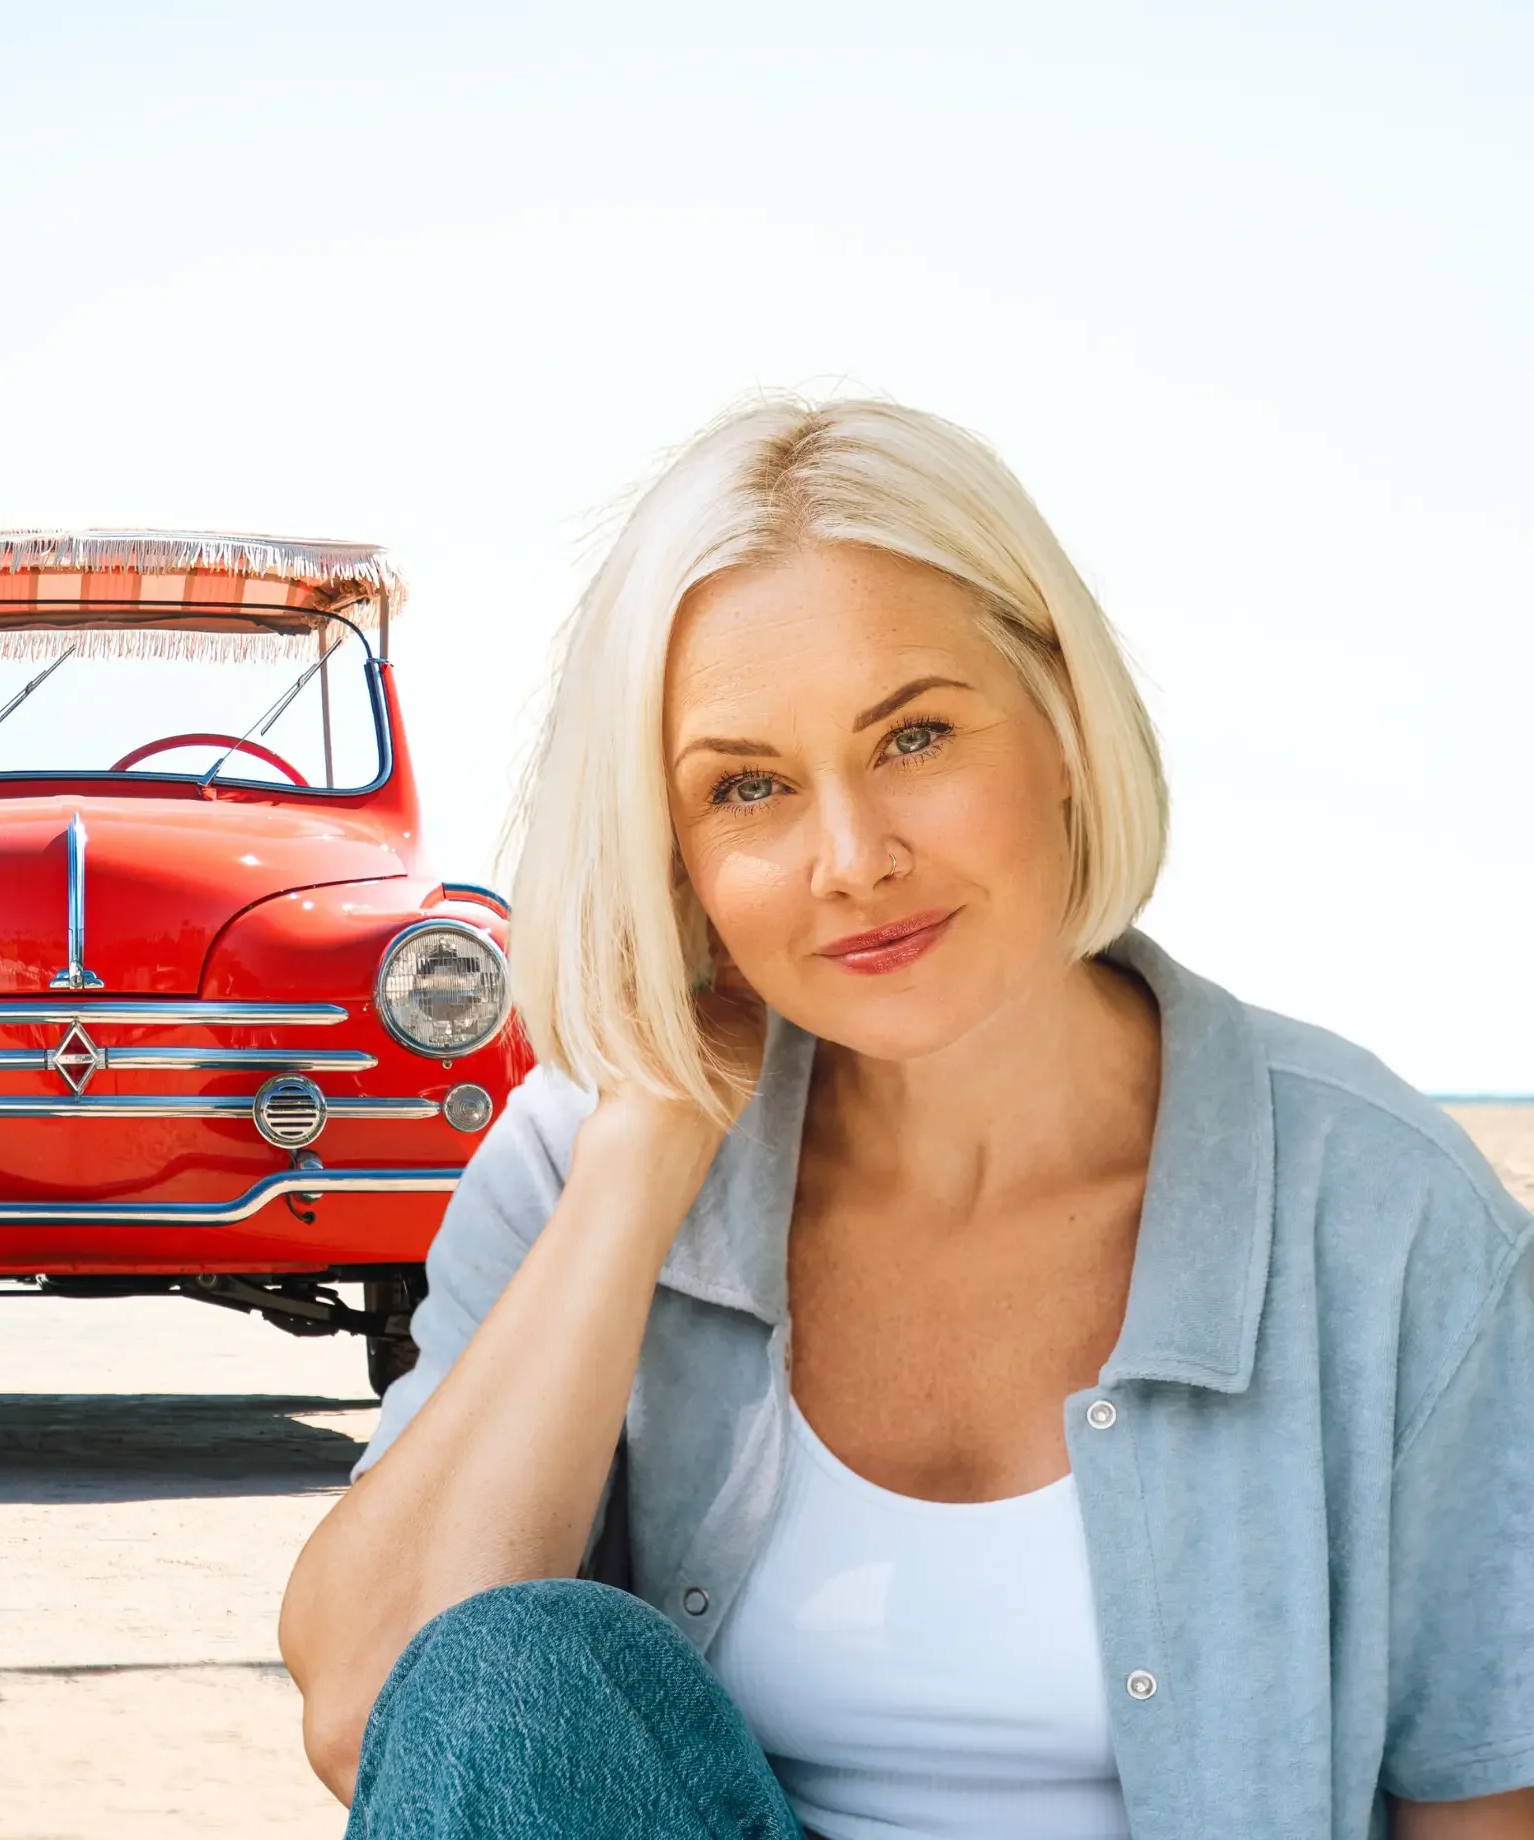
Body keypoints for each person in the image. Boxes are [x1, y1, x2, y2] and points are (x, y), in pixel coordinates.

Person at [281, 398, 1534, 1839]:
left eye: (916, 736)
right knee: (510, 1663)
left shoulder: (1384, 1216)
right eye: (747, 786)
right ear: (671, 846)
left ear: (1063, 721)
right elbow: (389, 1715)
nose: (852, 858)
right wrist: (641, 1170)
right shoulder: (585, 1165)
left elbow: (1483, 1805)